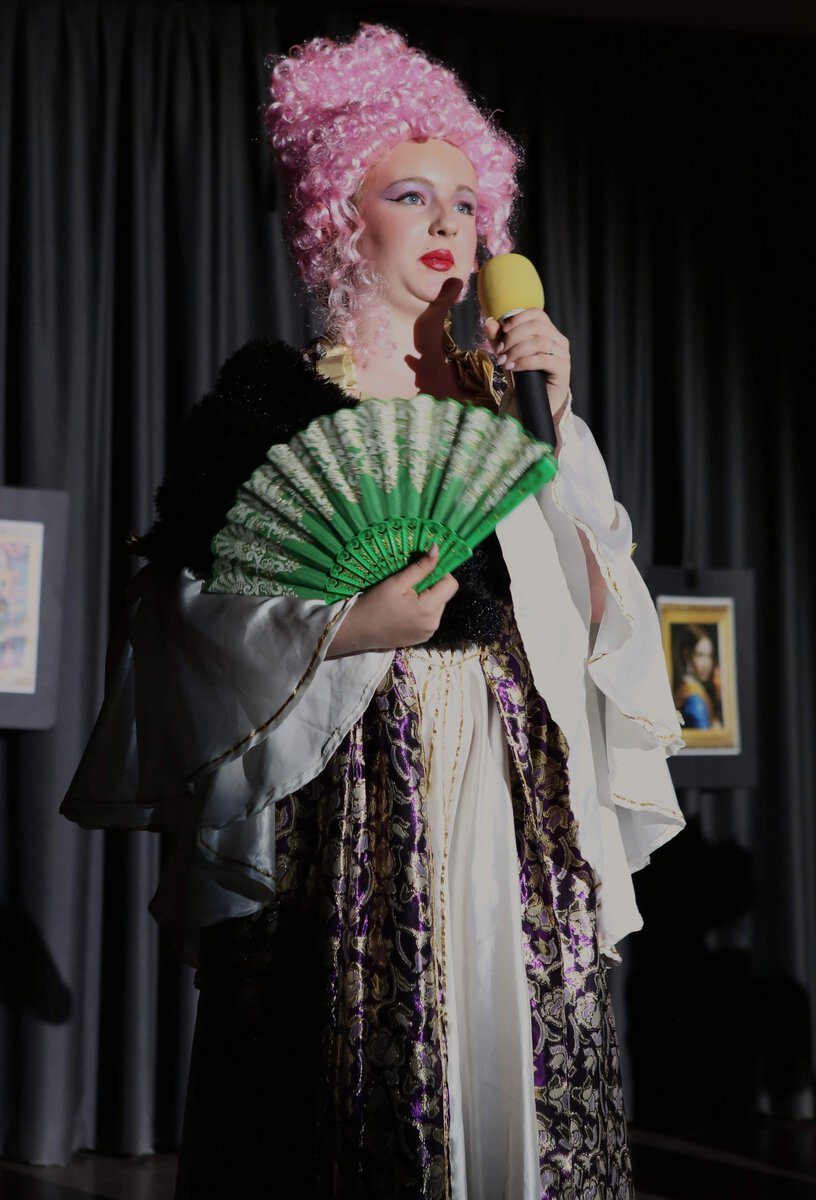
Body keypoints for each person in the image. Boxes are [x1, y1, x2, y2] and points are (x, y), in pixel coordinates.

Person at [62, 24, 685, 1200]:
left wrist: (553, 438)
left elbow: (608, 618)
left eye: (466, 200)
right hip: (349, 798)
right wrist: (349, 628)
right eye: (410, 195)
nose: (449, 224)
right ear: (341, 221)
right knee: (353, 1097)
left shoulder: (527, 416)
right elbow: (176, 622)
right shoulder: (268, 413)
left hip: (511, 796)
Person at [673, 624, 722, 729]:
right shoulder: (694, 699)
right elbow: (703, 735)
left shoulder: (689, 687)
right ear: (687, 655)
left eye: (709, 656)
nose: (706, 663)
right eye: (700, 655)